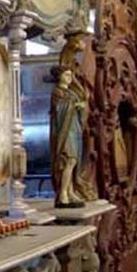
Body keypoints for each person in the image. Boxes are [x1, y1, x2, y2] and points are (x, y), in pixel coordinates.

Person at [50, 67, 88, 207]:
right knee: (68, 160)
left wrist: (81, 107)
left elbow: (79, 107)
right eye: (66, 75)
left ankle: (70, 191)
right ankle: (62, 194)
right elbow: (60, 109)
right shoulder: (57, 92)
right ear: (59, 76)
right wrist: (75, 104)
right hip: (65, 130)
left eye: (70, 75)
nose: (69, 77)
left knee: (73, 161)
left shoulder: (71, 92)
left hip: (74, 127)